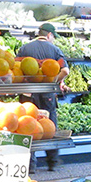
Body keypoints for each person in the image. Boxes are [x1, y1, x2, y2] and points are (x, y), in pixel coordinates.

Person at [16, 23, 69, 171]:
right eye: (53, 37)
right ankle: (52, 161)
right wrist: (54, 81)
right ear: (49, 35)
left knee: (27, 125)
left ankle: (30, 165)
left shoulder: (24, 48)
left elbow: (16, 69)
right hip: (47, 94)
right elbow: (65, 70)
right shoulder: (55, 50)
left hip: (27, 94)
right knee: (49, 126)